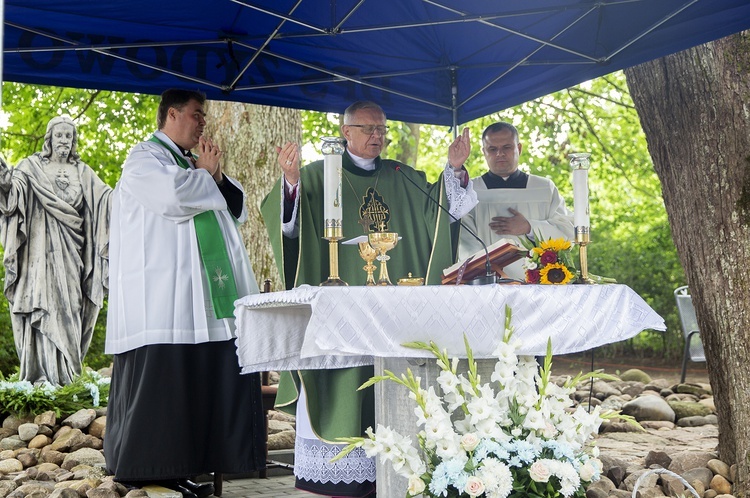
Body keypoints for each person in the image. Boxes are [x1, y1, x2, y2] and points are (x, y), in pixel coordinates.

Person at [260, 100, 477, 497]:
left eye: (382, 130)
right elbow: (287, 228)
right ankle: (331, 476)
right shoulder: (314, 176)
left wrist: (456, 170)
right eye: (369, 129)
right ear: (346, 132)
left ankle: (394, 472)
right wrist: (290, 183)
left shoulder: (400, 176)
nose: (378, 137)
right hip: (337, 314)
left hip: (390, 314)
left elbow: (440, 212)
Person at [104, 89, 266, 498]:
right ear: (171, 114)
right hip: (163, 301)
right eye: (197, 115)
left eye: (204, 116)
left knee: (199, 383)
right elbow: (175, 197)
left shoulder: (190, 163)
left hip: (202, 300)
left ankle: (186, 467)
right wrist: (206, 175)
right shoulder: (144, 159)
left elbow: (237, 205)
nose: (203, 122)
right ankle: (152, 471)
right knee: (168, 386)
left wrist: (213, 175)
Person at [0, 116, 112, 386]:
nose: (64, 140)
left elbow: (107, 199)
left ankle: (68, 375)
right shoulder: (31, 167)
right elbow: (12, 197)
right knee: (40, 303)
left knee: (71, 306)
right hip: (37, 253)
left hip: (73, 255)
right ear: (49, 138)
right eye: (59, 135)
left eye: (69, 136)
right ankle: (39, 374)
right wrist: (4, 180)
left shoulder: (84, 172)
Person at [458, 122, 574, 280]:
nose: (500, 154)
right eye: (492, 149)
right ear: (484, 152)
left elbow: (567, 231)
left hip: (539, 284)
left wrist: (530, 227)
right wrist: (488, 274)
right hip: (488, 285)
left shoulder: (544, 188)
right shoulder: (470, 191)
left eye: (506, 147)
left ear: (518, 148)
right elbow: (463, 241)